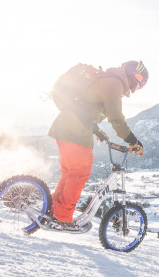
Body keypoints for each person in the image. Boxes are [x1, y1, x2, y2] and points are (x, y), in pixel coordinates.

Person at [47, 60, 148, 230]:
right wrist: (133, 141)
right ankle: (62, 219)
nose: (138, 87)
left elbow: (84, 109)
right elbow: (116, 120)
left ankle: (53, 212)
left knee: (69, 173)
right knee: (79, 172)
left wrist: (97, 131)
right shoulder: (114, 84)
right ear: (133, 75)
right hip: (74, 133)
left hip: (66, 128)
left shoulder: (108, 80)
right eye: (140, 82)